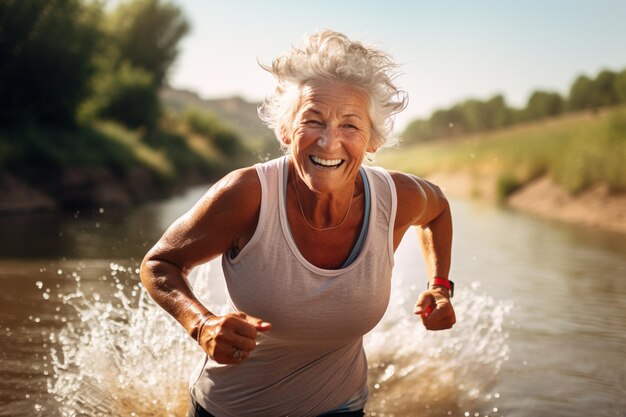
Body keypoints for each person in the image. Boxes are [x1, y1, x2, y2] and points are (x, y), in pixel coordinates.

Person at [140, 30, 456, 417]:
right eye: (314, 120)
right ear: (287, 130)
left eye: (350, 126)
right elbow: (159, 265)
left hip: (342, 406)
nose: (328, 142)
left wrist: (439, 287)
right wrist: (202, 324)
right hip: (231, 411)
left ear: (372, 140)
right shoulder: (247, 194)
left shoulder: (396, 198)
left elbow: (439, 210)